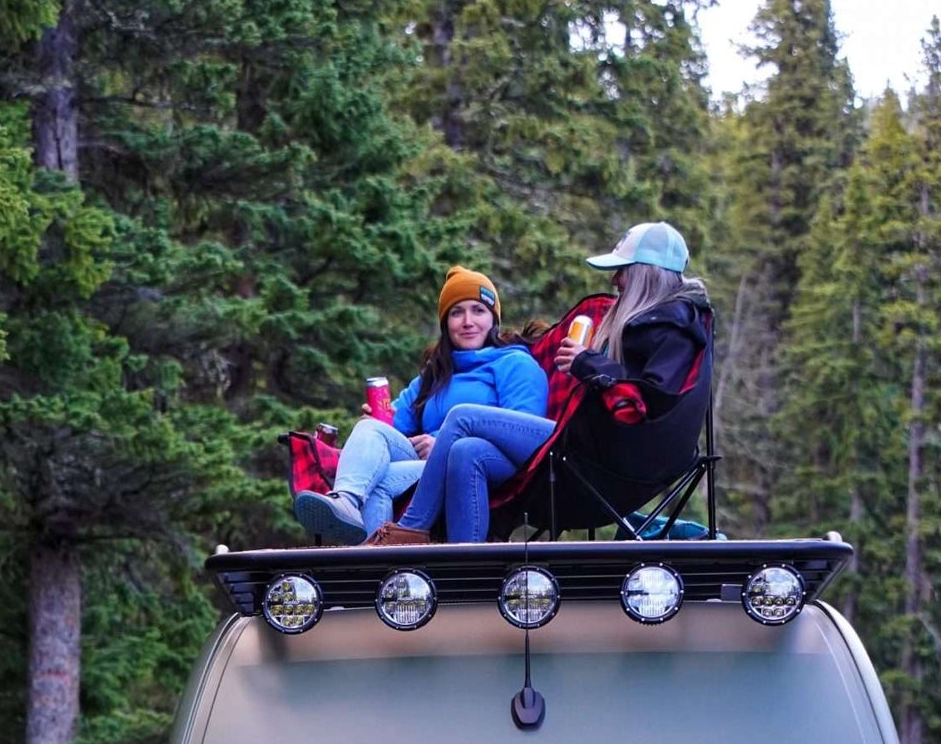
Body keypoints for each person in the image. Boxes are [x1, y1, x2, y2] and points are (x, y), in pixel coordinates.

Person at [368, 220, 712, 548]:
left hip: (600, 458)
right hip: (589, 447)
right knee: (465, 450)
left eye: (621, 271)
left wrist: (586, 362)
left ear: (643, 274)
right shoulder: (651, 323)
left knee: (462, 417)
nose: (615, 280)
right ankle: (467, 570)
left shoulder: (674, 327)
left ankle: (411, 529)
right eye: (457, 314)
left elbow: (651, 398)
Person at [294, 268, 549, 544]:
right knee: (372, 439)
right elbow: (393, 425)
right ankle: (352, 516)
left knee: (462, 436)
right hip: (429, 468)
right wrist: (378, 420)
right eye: (456, 312)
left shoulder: (514, 362)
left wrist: (440, 441)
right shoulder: (435, 374)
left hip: (498, 463)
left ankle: (409, 531)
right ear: (445, 323)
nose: (467, 321)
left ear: (493, 319)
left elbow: (522, 430)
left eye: (478, 310)